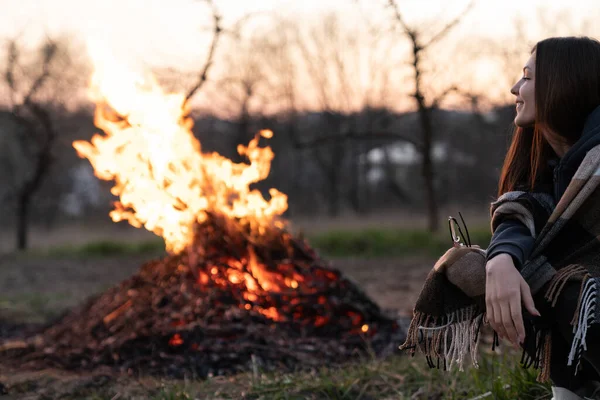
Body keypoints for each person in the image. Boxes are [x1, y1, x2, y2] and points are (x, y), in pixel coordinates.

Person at [486, 36, 600, 399]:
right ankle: (572, 391)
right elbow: (521, 213)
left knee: (568, 290)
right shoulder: (551, 166)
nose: (514, 88)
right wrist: (500, 260)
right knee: (510, 275)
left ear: (563, 82)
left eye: (527, 77)